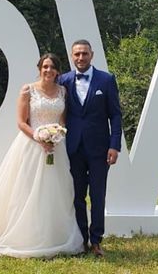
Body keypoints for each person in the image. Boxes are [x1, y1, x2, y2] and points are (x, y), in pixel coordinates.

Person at [0, 53, 84, 258]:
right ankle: (25, 235)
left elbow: (63, 120)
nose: (48, 71)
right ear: (40, 68)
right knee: (27, 189)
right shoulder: (27, 90)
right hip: (31, 146)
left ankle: (54, 236)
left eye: (52, 67)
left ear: (58, 71)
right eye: (45, 67)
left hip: (57, 148)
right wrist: (40, 137)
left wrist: (56, 136)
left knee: (56, 191)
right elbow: (21, 122)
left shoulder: (63, 92)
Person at [59, 39, 122, 257]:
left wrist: (115, 146)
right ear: (71, 55)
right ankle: (81, 240)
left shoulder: (106, 80)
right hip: (72, 148)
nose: (80, 58)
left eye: (84, 54)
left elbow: (115, 114)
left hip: (99, 149)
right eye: (76, 54)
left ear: (91, 55)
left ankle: (96, 241)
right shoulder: (63, 80)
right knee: (76, 196)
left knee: (97, 195)